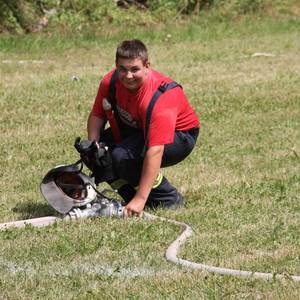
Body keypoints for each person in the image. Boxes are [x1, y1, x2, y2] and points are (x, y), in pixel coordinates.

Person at [87, 39, 200, 217]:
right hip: (137, 128)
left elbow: (155, 150)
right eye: (123, 69)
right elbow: (97, 115)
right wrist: (93, 145)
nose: (128, 75)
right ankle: (129, 199)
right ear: (116, 66)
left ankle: (168, 199)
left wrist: (140, 198)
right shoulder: (110, 82)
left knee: (122, 157)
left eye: (134, 69)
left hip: (179, 136)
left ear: (147, 66)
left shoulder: (160, 97)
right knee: (96, 154)